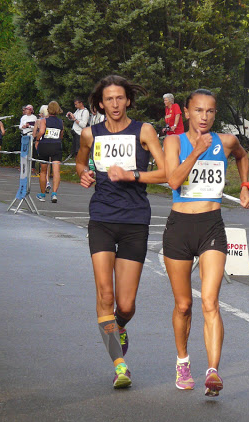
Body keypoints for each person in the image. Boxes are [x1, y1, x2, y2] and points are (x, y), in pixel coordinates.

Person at [75, 74, 165, 389]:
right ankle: (120, 364)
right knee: (105, 294)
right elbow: (80, 163)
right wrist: (84, 174)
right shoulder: (90, 133)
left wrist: (132, 174)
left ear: (128, 100)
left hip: (134, 220)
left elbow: (166, 172)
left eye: (120, 98)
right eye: (108, 99)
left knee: (125, 305)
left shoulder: (144, 130)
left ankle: (119, 325)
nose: (114, 104)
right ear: (100, 103)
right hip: (101, 218)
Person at [163, 88, 249, 397]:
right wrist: (197, 150)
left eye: (210, 111)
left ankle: (212, 372)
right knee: (184, 305)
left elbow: (242, 156)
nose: (204, 116)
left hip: (212, 225)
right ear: (186, 112)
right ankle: (183, 361)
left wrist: (244, 185)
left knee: (210, 301)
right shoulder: (174, 141)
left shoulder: (225, 141)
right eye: (198, 110)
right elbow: (173, 180)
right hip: (179, 226)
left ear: (215, 114)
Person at [35, 101, 63, 203]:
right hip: (56, 145)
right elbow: (61, 134)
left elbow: (42, 131)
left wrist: (37, 139)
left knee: (43, 171)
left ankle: (42, 194)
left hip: (45, 145)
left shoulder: (44, 120)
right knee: (56, 171)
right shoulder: (61, 122)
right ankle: (54, 193)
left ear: (48, 110)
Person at [33, 105, 51, 192]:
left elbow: (34, 134)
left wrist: (36, 138)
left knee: (43, 165)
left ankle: (44, 183)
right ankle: (47, 181)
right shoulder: (51, 121)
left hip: (41, 143)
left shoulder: (39, 121)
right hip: (51, 143)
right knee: (49, 163)